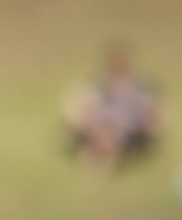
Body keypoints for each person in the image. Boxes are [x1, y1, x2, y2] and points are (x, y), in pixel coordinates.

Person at [63, 43, 159, 172]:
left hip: (126, 126)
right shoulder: (100, 86)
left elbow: (150, 110)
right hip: (103, 124)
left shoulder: (139, 88)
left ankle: (101, 158)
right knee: (104, 128)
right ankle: (100, 156)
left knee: (110, 130)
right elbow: (79, 101)